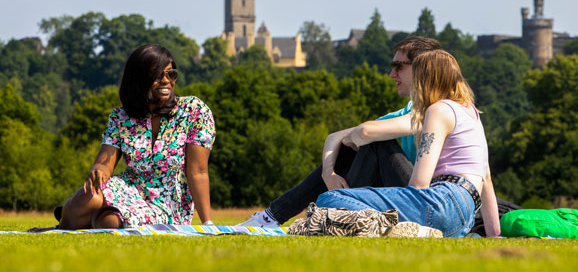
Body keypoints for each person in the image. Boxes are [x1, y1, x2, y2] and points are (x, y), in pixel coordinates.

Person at [239, 36, 442, 227]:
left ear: (421, 67)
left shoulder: (439, 109)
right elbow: (335, 137)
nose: (391, 74)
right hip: (412, 195)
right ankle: (274, 216)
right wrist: (330, 174)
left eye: (398, 66)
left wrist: (359, 136)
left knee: (374, 142)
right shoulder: (409, 110)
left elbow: (365, 133)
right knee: (353, 147)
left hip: (430, 203)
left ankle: (329, 215)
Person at [316, 50, 501, 237]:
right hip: (465, 216)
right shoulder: (471, 113)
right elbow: (486, 180)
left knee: (329, 198)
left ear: (425, 80)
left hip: (442, 201)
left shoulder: (438, 110)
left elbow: (419, 183)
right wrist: (495, 235)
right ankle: (406, 230)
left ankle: (394, 228)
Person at [51, 44, 216, 229]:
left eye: (171, 74)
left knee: (109, 222)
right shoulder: (121, 117)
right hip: (128, 188)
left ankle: (100, 218)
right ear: (138, 79)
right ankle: (68, 222)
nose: (166, 80)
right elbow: (105, 163)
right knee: (85, 198)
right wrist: (98, 171)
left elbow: (198, 171)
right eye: (157, 75)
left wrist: (207, 224)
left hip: (168, 202)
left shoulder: (194, 111)